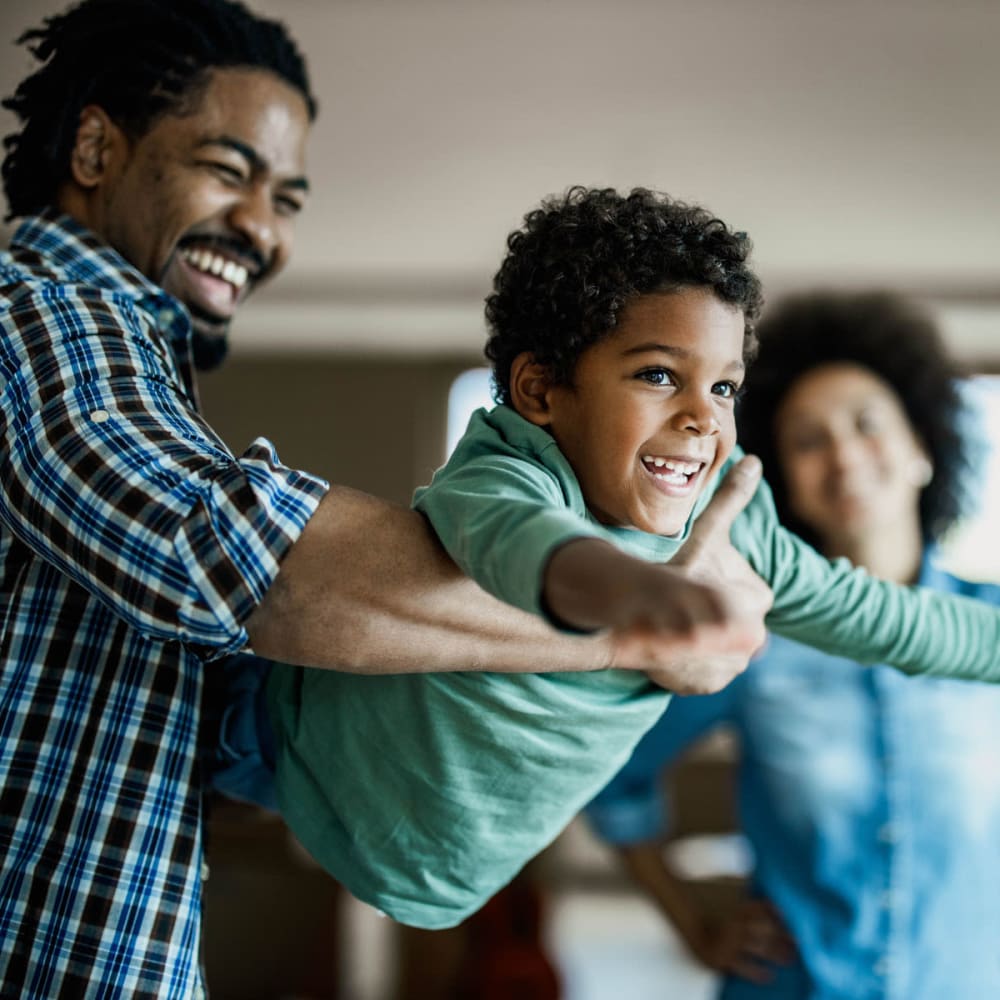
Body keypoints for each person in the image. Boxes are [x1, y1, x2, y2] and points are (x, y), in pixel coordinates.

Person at [0, 5, 772, 997]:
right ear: (97, 146)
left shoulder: (130, 362)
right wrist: (643, 624)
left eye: (287, 197)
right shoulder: (39, 310)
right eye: (230, 172)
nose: (263, 229)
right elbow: (221, 556)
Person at [253, 189, 1000, 934]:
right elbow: (524, 543)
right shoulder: (511, 468)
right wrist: (633, 592)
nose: (703, 416)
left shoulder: (732, 519)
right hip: (293, 758)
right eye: (658, 375)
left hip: (439, 875)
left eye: (723, 386)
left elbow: (890, 619)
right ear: (541, 390)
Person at [585, 290, 1000, 999]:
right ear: (783, 484)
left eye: (867, 425)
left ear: (923, 448)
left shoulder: (989, 629)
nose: (842, 455)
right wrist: (694, 924)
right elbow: (614, 775)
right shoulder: (748, 633)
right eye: (808, 439)